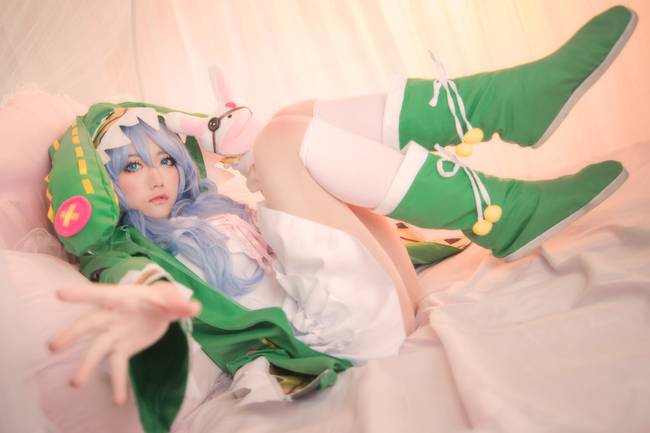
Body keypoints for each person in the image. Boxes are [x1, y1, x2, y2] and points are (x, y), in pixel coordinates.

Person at [47, 4, 636, 432]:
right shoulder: (129, 249)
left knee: (289, 120)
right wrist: (146, 302)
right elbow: (130, 276)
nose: (156, 177)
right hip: (343, 336)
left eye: (164, 160)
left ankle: (496, 133)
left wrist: (238, 150)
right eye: (131, 167)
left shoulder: (209, 207)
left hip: (369, 303)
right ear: (107, 184)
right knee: (280, 139)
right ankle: (501, 181)